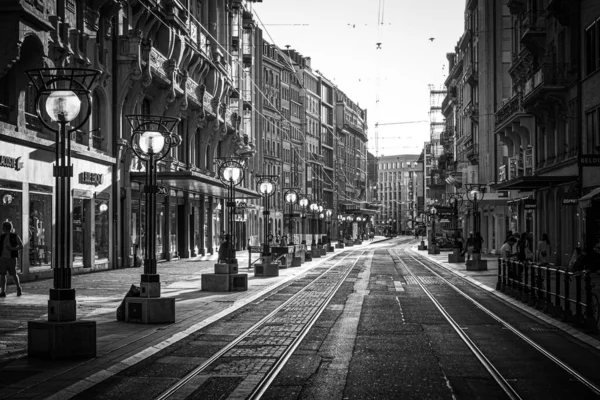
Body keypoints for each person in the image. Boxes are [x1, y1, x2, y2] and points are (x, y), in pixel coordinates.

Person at [0, 221, 23, 297]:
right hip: (3, 258)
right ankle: (3, 291)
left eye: (3, 227)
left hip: (11, 258)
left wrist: (12, 249)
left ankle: (18, 288)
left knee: (13, 274)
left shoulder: (15, 236)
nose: (2, 228)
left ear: (6, 228)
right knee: (2, 275)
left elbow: (21, 246)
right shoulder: (2, 237)